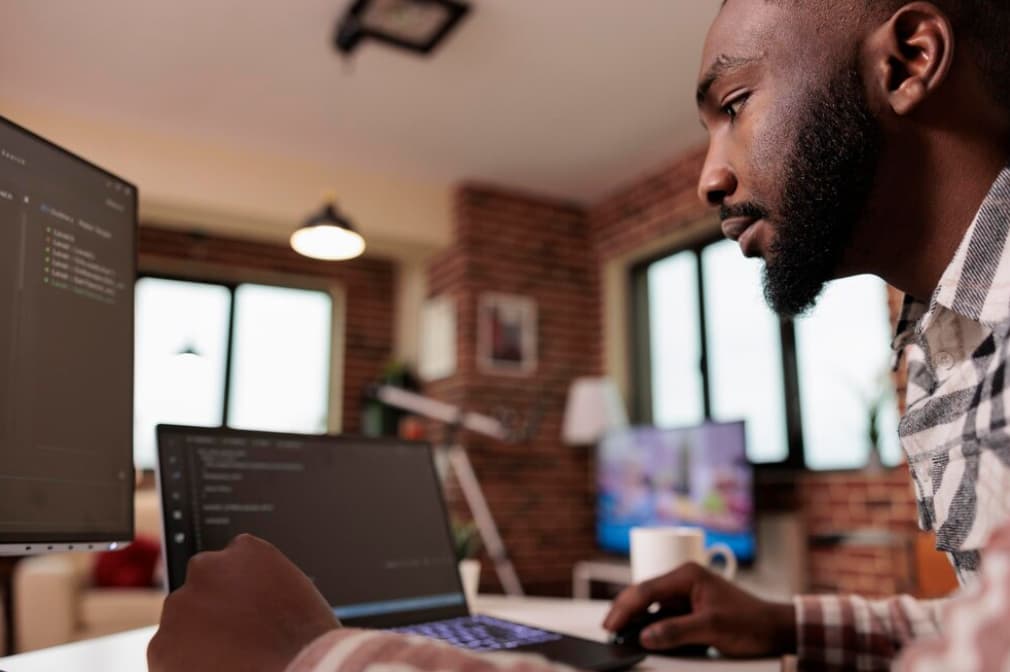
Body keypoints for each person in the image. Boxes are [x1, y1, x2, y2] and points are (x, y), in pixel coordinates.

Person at [148, 1, 1010, 670]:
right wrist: (778, 619)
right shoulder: (948, 332)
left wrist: (312, 657)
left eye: (735, 104)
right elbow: (984, 620)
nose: (711, 176)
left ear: (909, 61)